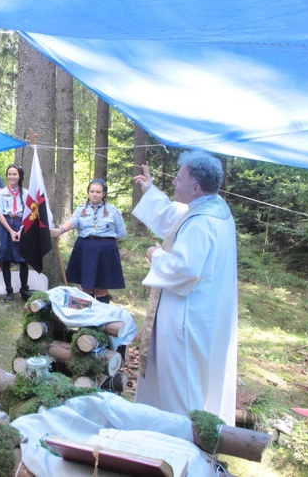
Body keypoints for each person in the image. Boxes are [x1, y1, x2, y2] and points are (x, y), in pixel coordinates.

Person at [132, 151, 237, 425]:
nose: (174, 183)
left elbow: (185, 267)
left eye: (178, 179)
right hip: (204, 312)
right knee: (181, 377)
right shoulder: (211, 208)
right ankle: (159, 428)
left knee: (180, 381)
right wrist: (150, 190)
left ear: (195, 188)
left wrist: (155, 255)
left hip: (186, 316)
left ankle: (181, 437)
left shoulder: (202, 222)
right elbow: (174, 218)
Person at [51, 178, 126, 303]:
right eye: (92, 191)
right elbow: (73, 221)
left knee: (101, 288)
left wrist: (105, 242)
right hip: (85, 249)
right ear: (88, 192)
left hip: (105, 252)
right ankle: (87, 319)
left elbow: (121, 233)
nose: (94, 194)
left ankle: (102, 317)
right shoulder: (81, 209)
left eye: (98, 192)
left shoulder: (113, 211)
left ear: (104, 194)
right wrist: (60, 230)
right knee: (87, 287)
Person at [0, 164, 32, 302]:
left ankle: (24, 288)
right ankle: (9, 291)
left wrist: (20, 231)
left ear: (20, 176)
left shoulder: (26, 193)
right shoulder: (2, 192)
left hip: (21, 225)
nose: (11, 177)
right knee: (5, 260)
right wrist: (11, 231)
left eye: (14, 174)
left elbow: (29, 214)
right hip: (6, 226)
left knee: (23, 260)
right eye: (9, 174)